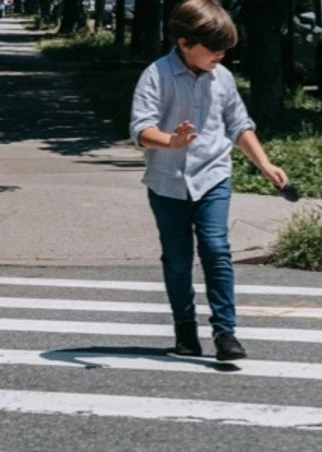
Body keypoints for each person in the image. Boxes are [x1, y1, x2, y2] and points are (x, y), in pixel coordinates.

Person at [129, 0, 288, 361]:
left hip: (213, 175)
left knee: (216, 250)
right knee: (178, 259)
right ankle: (185, 328)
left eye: (224, 49)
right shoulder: (157, 75)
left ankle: (225, 333)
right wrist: (171, 141)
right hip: (167, 181)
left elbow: (238, 124)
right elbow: (140, 128)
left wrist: (265, 164)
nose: (221, 55)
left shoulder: (223, 77)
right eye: (214, 48)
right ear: (185, 43)